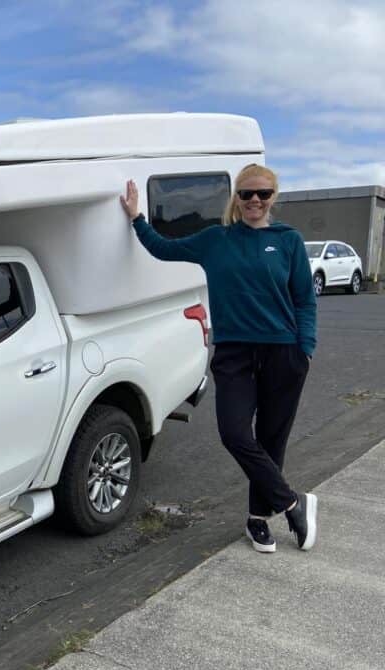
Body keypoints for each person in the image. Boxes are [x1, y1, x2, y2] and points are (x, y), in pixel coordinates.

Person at [120, 164, 318, 553]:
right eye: (246, 194)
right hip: (234, 354)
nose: (254, 201)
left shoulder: (288, 241)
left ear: (273, 196)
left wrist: (305, 350)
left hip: (283, 352)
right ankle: (293, 503)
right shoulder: (216, 240)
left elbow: (304, 300)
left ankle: (257, 519)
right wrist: (136, 218)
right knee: (235, 433)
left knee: (272, 439)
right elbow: (163, 248)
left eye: (262, 194)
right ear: (237, 198)